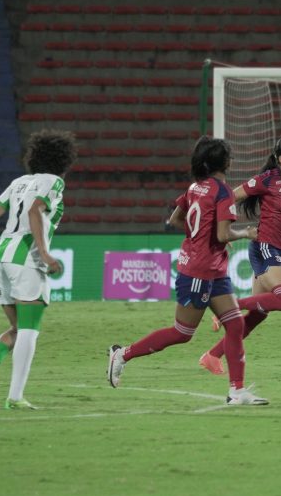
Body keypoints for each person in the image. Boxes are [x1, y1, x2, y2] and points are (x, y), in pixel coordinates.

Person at [106, 136, 266, 405]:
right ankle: (122, 354)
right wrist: (248, 232)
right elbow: (224, 234)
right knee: (183, 333)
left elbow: (175, 219)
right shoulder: (223, 191)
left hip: (211, 269)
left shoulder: (195, 187)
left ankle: (236, 391)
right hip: (200, 271)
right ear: (223, 161)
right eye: (229, 156)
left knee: (236, 324)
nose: (232, 160)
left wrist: (196, 238)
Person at [0, 129, 78, 409]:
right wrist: (46, 254)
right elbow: (35, 211)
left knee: (17, 327)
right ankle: (15, 397)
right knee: (30, 329)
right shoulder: (54, 182)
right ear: (64, 160)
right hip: (25, 262)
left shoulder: (19, 182)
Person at [197, 136, 281, 376]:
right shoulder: (266, 180)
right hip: (264, 247)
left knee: (256, 316)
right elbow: (229, 198)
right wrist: (220, 231)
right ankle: (228, 307)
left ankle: (212, 356)